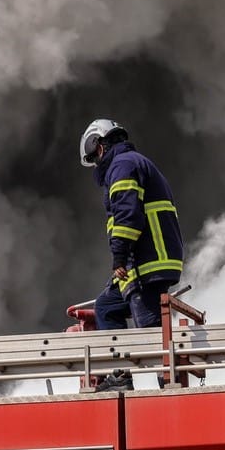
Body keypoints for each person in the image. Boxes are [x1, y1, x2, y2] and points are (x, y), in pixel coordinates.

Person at [81, 118, 185, 332]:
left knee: (150, 332)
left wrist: (119, 256)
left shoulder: (122, 166)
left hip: (147, 263)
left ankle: (152, 361)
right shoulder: (133, 162)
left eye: (94, 158)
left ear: (99, 147)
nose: (96, 165)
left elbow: (127, 215)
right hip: (144, 261)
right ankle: (120, 362)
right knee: (106, 307)